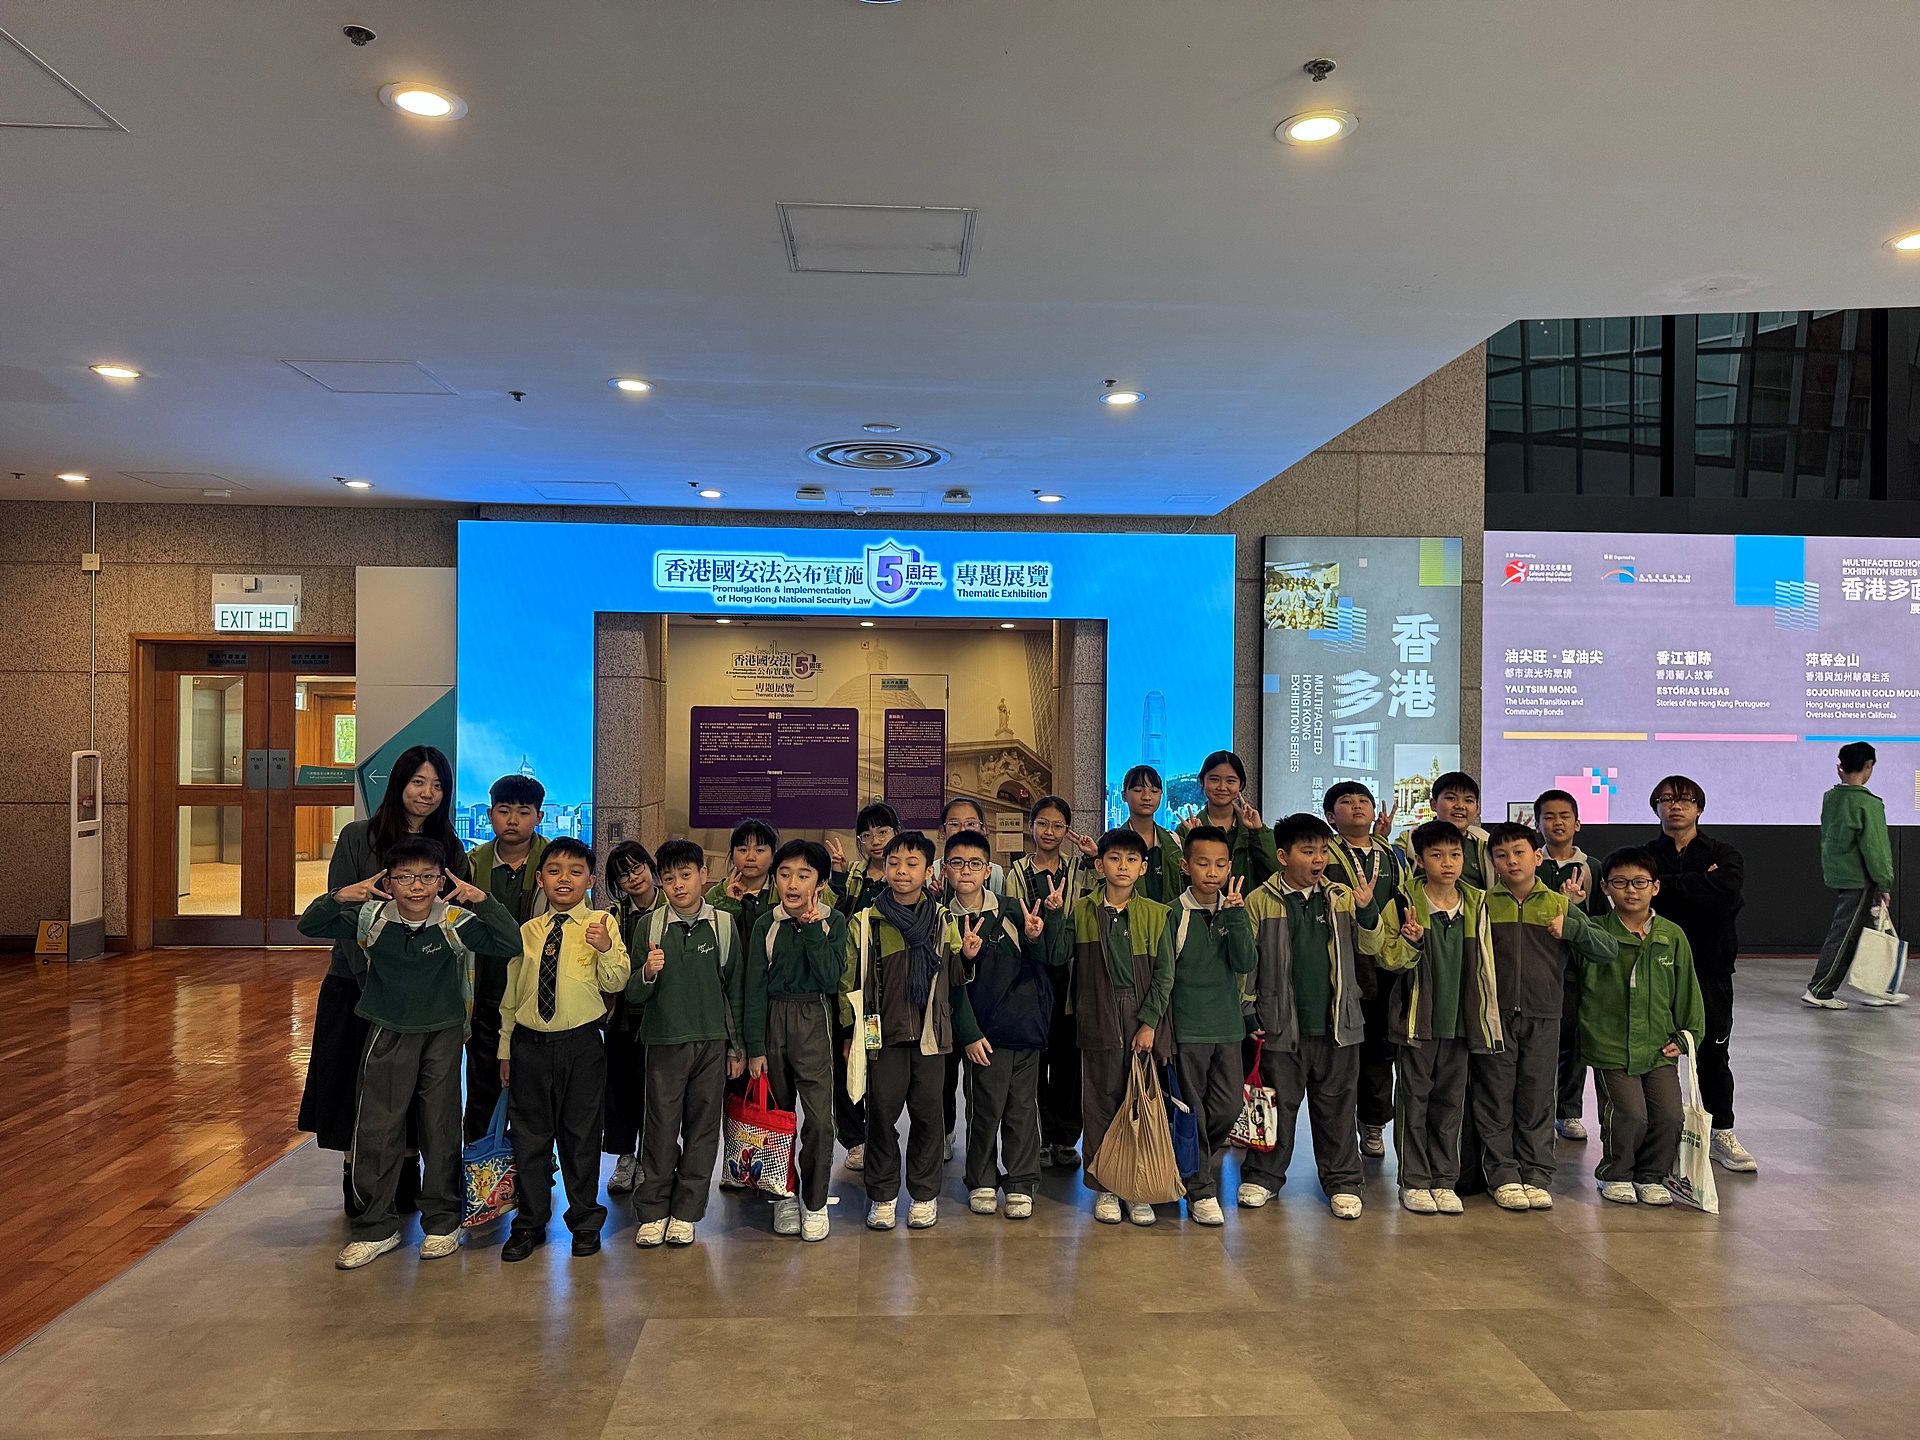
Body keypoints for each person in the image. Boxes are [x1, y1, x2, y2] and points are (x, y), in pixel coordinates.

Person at [296, 836, 522, 1269]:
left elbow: (509, 942)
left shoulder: (454, 921)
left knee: (440, 1126)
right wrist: (341, 895)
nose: (416, 886)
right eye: (404, 877)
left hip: (442, 1034)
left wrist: (483, 900)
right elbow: (310, 924)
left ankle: (442, 1222)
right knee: (377, 1129)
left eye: (427, 877)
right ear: (388, 881)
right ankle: (375, 1226)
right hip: (386, 1031)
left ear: (441, 881)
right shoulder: (370, 918)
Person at [297, 745, 468, 1218]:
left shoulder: (450, 848)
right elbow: (341, 914)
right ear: (398, 784)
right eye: (418, 782)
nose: (427, 793)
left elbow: (456, 924)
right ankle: (360, 1182)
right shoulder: (358, 838)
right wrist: (373, 977)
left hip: (422, 996)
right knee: (356, 1089)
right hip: (358, 987)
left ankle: (408, 1175)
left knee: (415, 1094)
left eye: (437, 785)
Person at [1238, 813, 1384, 1220]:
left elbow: (1372, 947)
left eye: (1322, 850)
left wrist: (1368, 911)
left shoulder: (1341, 896)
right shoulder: (1260, 901)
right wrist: (1247, 1010)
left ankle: (1343, 1182)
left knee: (1337, 1108)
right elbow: (1246, 965)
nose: (1318, 859)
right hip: (1280, 1026)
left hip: (1338, 1025)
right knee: (1275, 1106)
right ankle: (1263, 1176)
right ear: (1283, 856)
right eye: (1308, 851)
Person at [498, 838, 632, 1261]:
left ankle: (585, 1220)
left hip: (581, 1045)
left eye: (576, 872)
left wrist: (605, 948)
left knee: (581, 1134)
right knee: (530, 1136)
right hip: (529, 1046)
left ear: (590, 881)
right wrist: (505, 1048)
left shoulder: (601, 923)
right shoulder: (527, 932)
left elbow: (616, 981)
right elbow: (511, 995)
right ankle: (529, 1221)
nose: (564, 879)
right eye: (554, 871)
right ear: (540, 879)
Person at [1477, 822, 1616, 1213]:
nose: (1511, 861)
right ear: (1493, 862)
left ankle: (1536, 1175)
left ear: (1537, 857)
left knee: (1538, 1099)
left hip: (1545, 1015)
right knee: (1496, 1098)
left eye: (1519, 852)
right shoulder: (1483, 905)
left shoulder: (1558, 905)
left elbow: (1606, 949)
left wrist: (1570, 928)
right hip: (1495, 1018)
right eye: (1501, 855)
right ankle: (1503, 1175)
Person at [843, 830, 976, 1231]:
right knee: (881, 1115)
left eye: (912, 864)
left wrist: (968, 957)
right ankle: (883, 1195)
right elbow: (849, 983)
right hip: (880, 1034)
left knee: (928, 1116)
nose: (902, 871)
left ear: (928, 871)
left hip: (931, 1035)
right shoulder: (866, 921)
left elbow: (954, 979)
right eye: (894, 863)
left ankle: (923, 1194)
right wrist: (851, 1035)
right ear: (883, 868)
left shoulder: (943, 921)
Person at [1373, 820, 1501, 1216]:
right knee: (1414, 1103)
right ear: (1420, 860)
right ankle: (1414, 1181)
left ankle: (1445, 1180)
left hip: (1461, 1022)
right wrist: (1410, 941)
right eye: (1437, 855)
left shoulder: (1477, 903)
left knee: (1450, 1105)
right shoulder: (1402, 903)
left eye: (1455, 855)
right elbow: (1387, 958)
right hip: (1418, 1021)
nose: (1447, 863)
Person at [627, 839, 742, 1248]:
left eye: (686, 875)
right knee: (659, 1129)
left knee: (703, 1130)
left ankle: (686, 1213)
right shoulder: (650, 926)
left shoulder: (723, 925)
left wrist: (737, 1048)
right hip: (663, 1041)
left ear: (703, 876)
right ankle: (653, 1210)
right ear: (660, 881)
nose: (678, 885)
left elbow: (735, 990)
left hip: (712, 1043)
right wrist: (647, 972)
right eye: (669, 877)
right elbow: (632, 994)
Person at [1644, 775, 1757, 1174]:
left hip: (1711, 969)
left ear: (1699, 808)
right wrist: (1699, 884)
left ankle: (1722, 1132)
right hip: (1657, 969)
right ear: (1656, 807)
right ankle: (1661, 1135)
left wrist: (1668, 886)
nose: (1676, 806)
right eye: (1667, 799)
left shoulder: (1724, 853)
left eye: (1685, 800)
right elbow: (1639, 899)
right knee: (1655, 1053)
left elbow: (1724, 898)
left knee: (1712, 1054)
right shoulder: (1644, 856)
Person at [950, 829, 1064, 1221]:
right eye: (958, 863)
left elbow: (1042, 959)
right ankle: (981, 1180)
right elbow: (949, 984)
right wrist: (968, 1034)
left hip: (1022, 1027)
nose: (966, 871)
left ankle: (1021, 1181)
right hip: (981, 1035)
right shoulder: (945, 918)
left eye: (975, 864)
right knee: (985, 1109)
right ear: (946, 870)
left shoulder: (1012, 909)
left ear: (988, 870)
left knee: (1022, 1109)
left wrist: (1035, 934)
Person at [1582, 846, 1706, 1205]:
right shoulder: (1595, 932)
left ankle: (1651, 1175)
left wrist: (1689, 1035)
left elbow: (1688, 991)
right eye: (1620, 882)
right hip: (1610, 1043)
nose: (1631, 890)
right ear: (1605, 887)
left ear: (1655, 887)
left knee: (1669, 1115)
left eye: (1640, 882)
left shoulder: (1671, 935)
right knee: (1630, 1115)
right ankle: (1616, 1173)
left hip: (1658, 1045)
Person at [1068, 827, 1176, 1226]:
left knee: (1139, 1103)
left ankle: (1137, 1188)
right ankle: (1106, 1188)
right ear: (1099, 865)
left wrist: (1148, 1023)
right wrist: (1051, 917)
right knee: (1100, 1103)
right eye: (1114, 859)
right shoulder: (1082, 910)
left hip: (1139, 1014)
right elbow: (1061, 956)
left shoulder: (1156, 914)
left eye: (1132, 860)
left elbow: (1164, 975)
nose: (1123, 866)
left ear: (1143, 868)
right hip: (1097, 1012)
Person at [744, 839, 846, 1242]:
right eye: (785, 874)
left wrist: (812, 928)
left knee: (819, 1120)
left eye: (804, 875)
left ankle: (815, 1202)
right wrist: (755, 1048)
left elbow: (829, 979)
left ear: (819, 883)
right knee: (777, 1119)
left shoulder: (833, 921)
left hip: (813, 1018)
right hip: (773, 1019)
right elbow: (753, 988)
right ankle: (782, 1196)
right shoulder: (765, 924)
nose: (792, 883)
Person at [1166, 825, 1257, 1227]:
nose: (1213, 872)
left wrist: (1235, 916)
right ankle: (1200, 1189)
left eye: (1221, 864)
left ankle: (1192, 1161)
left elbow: (1246, 962)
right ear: (1186, 866)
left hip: (1228, 1028)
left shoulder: (1234, 910)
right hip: (1187, 1030)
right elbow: (1164, 976)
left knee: (1228, 1106)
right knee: (1193, 1112)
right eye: (1203, 863)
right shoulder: (1173, 913)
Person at [1004, 794, 1097, 1168]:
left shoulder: (1078, 869)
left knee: (1067, 1059)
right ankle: (1039, 1136)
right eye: (1042, 823)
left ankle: (1065, 1137)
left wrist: (1094, 857)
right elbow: (1011, 921)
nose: (1049, 831)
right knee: (1034, 1059)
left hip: (1072, 976)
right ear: (1031, 826)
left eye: (1058, 825)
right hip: (1032, 974)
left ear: (1067, 830)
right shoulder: (1017, 873)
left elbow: (1104, 890)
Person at [1321, 781, 1405, 1160]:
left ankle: (1373, 1123)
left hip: (1385, 965)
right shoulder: (1326, 853)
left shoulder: (1392, 854)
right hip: (1341, 962)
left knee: (1380, 1051)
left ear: (1373, 812)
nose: (1357, 806)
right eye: (1346, 801)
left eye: (1363, 801)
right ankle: (1339, 1128)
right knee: (1341, 1051)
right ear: (1330, 816)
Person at [463, 774, 549, 1143]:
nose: (513, 820)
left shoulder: (556, 863)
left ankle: (532, 1171)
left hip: (538, 1002)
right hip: (485, 999)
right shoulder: (471, 866)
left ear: (539, 817)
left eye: (523, 812)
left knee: (534, 1101)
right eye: (504, 810)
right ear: (490, 814)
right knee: (482, 1094)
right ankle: (481, 1171)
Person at [829, 801, 898, 1173]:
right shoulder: (852, 876)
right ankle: (855, 1139)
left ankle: (880, 1131)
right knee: (846, 1061)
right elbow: (831, 918)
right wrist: (838, 878)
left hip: (885, 992)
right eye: (867, 835)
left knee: (878, 1064)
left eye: (883, 832)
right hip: (849, 990)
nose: (875, 841)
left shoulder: (903, 876)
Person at [1806, 742, 1902, 1010]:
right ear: (1868, 765)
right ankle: (1820, 988)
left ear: (1840, 767)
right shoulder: (1868, 803)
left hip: (1840, 874)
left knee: (1865, 932)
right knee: (1845, 934)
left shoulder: (1831, 798)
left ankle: (1877, 988)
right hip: (1860, 879)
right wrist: (1884, 882)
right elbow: (1875, 848)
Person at [1533, 788, 1605, 1141]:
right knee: (1539, 1042)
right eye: (1549, 817)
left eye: (1564, 816)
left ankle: (1569, 1110)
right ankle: (1537, 1109)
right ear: (1537, 824)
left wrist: (1574, 909)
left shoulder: (1592, 867)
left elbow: (1600, 921)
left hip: (1575, 970)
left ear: (1578, 823)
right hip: (1536, 967)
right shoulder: (1530, 862)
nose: (1557, 823)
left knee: (1574, 1043)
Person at [602, 841, 662, 1196]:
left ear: (650, 867)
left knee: (656, 1091)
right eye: (623, 874)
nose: (633, 877)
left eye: (637, 867)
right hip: (622, 1018)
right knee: (620, 1090)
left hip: (660, 1015)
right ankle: (626, 1158)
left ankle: (652, 1158)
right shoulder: (613, 916)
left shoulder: (672, 908)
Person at [1176, 750, 1279, 888]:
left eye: (1230, 781)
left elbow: (1275, 872)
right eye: (1214, 779)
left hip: (1247, 902)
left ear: (1240, 785)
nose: (1222, 787)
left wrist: (1258, 831)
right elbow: (1180, 883)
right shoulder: (1186, 830)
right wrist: (1197, 839)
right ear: (1202, 781)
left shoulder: (1253, 829)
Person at [1117, 764, 1186, 903]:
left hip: (1170, 916)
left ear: (1161, 795)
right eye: (1138, 790)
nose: (1147, 797)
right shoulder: (1111, 843)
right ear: (1124, 796)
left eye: (1154, 791)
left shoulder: (1176, 842)